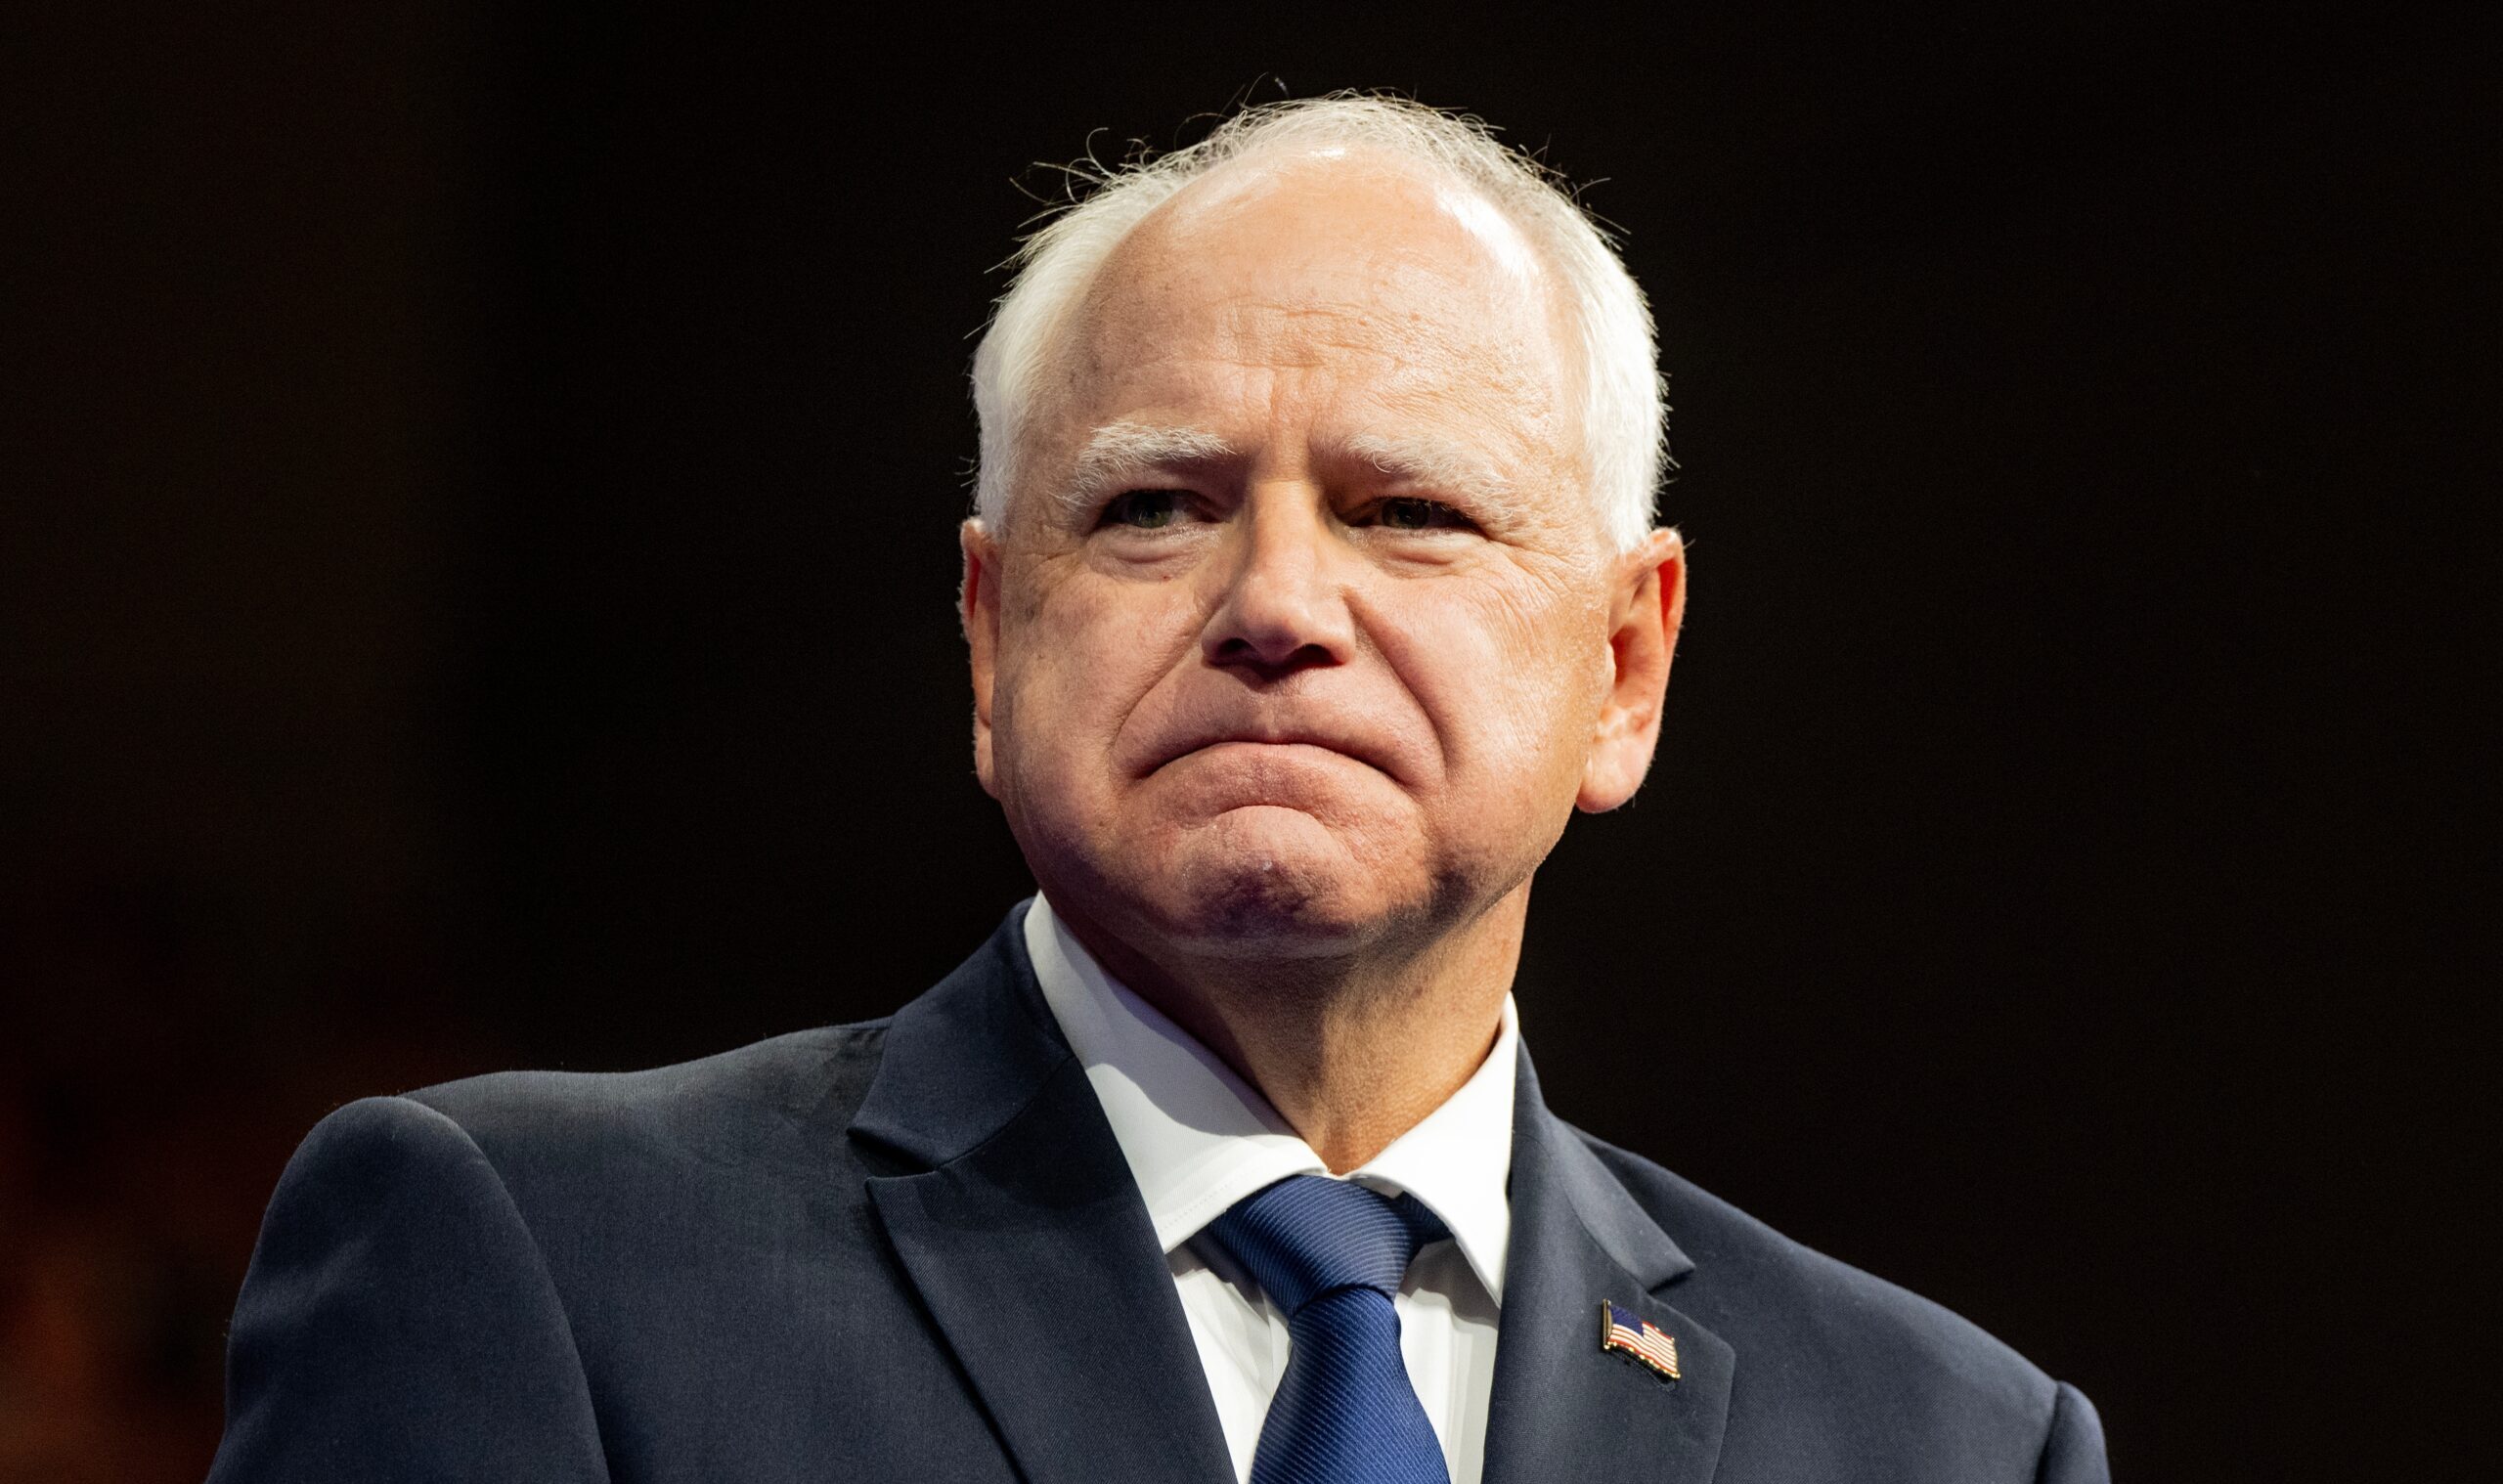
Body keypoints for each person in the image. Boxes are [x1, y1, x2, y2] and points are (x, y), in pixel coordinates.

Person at [208, 96, 2108, 1484]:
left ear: (1622, 662)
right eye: (1148, 509)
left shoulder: (1938, 1440)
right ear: (986, 630)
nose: (1276, 605)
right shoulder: (543, 1258)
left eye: (1411, 512)